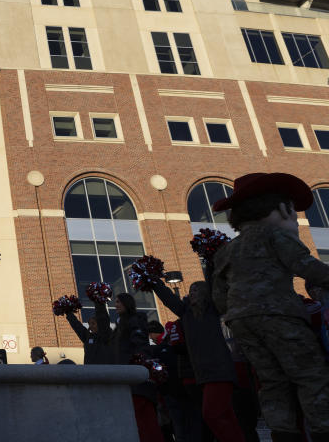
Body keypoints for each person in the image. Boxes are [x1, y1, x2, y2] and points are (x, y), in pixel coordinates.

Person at [211, 173, 329, 441]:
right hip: (279, 314)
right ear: (276, 209)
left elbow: (218, 296)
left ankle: (284, 434)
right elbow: (307, 268)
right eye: (291, 209)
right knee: (311, 376)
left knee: (272, 381)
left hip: (241, 321)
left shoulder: (227, 250)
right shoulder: (274, 236)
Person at [150, 275, 244, 442]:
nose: (192, 293)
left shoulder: (213, 310)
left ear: (206, 293)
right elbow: (167, 298)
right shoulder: (185, 312)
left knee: (212, 414)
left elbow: (216, 280)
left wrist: (210, 260)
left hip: (219, 371)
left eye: (196, 290)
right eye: (191, 290)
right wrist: (153, 280)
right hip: (201, 374)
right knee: (225, 416)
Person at [104, 293, 161, 442]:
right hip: (125, 380)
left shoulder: (135, 320)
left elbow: (141, 346)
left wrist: (139, 365)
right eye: (115, 302)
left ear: (127, 303)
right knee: (140, 423)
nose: (115, 305)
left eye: (118, 302)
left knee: (144, 423)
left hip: (135, 381)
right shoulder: (119, 326)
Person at [61, 299, 113, 365]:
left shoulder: (107, 335)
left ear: (100, 323)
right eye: (89, 324)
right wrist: (68, 312)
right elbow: (77, 326)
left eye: (93, 323)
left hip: (104, 372)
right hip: (89, 372)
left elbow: (103, 317)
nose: (91, 326)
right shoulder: (88, 337)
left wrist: (99, 301)